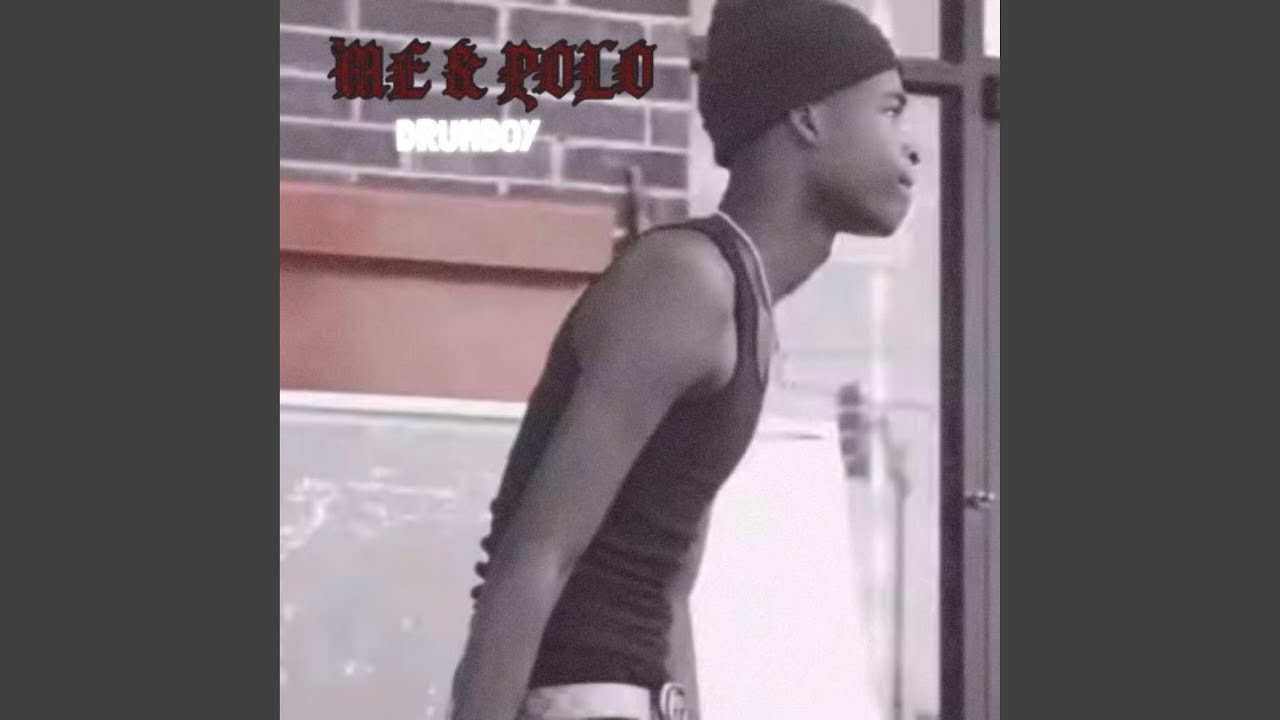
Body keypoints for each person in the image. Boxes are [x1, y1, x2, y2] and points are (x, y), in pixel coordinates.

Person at [448, 1, 920, 718]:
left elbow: (670, 583)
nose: (912, 148)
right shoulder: (686, 280)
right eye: (889, 110)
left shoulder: (743, 303)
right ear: (809, 118)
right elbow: (535, 551)